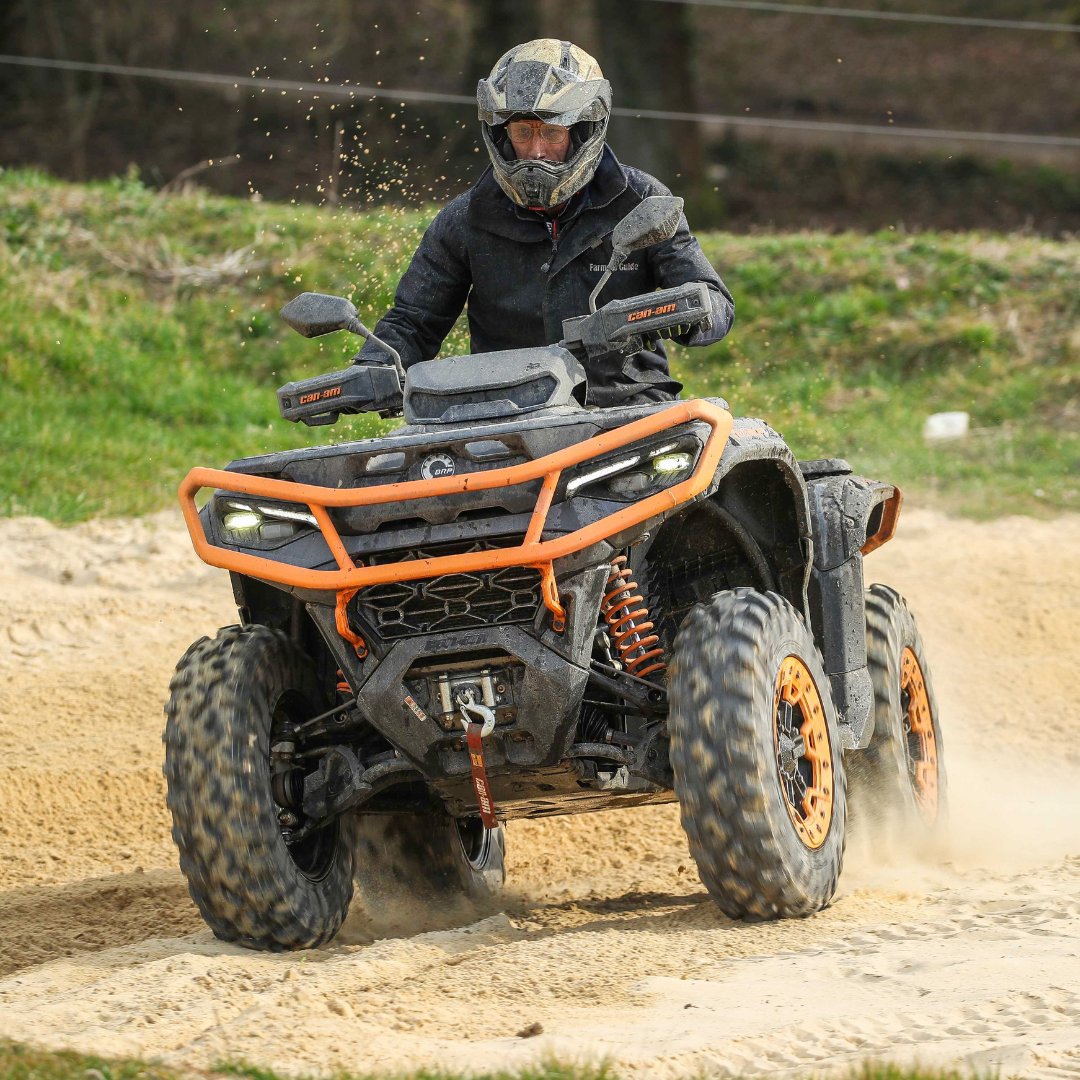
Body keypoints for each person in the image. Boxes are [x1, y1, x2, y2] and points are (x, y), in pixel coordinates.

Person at [358, 39, 734, 407]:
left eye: (552, 133)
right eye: (523, 132)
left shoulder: (641, 200)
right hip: (507, 413)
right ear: (501, 136)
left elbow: (714, 301)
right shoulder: (466, 218)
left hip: (626, 406)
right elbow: (413, 322)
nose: (536, 151)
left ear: (585, 129)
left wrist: (663, 314)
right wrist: (372, 372)